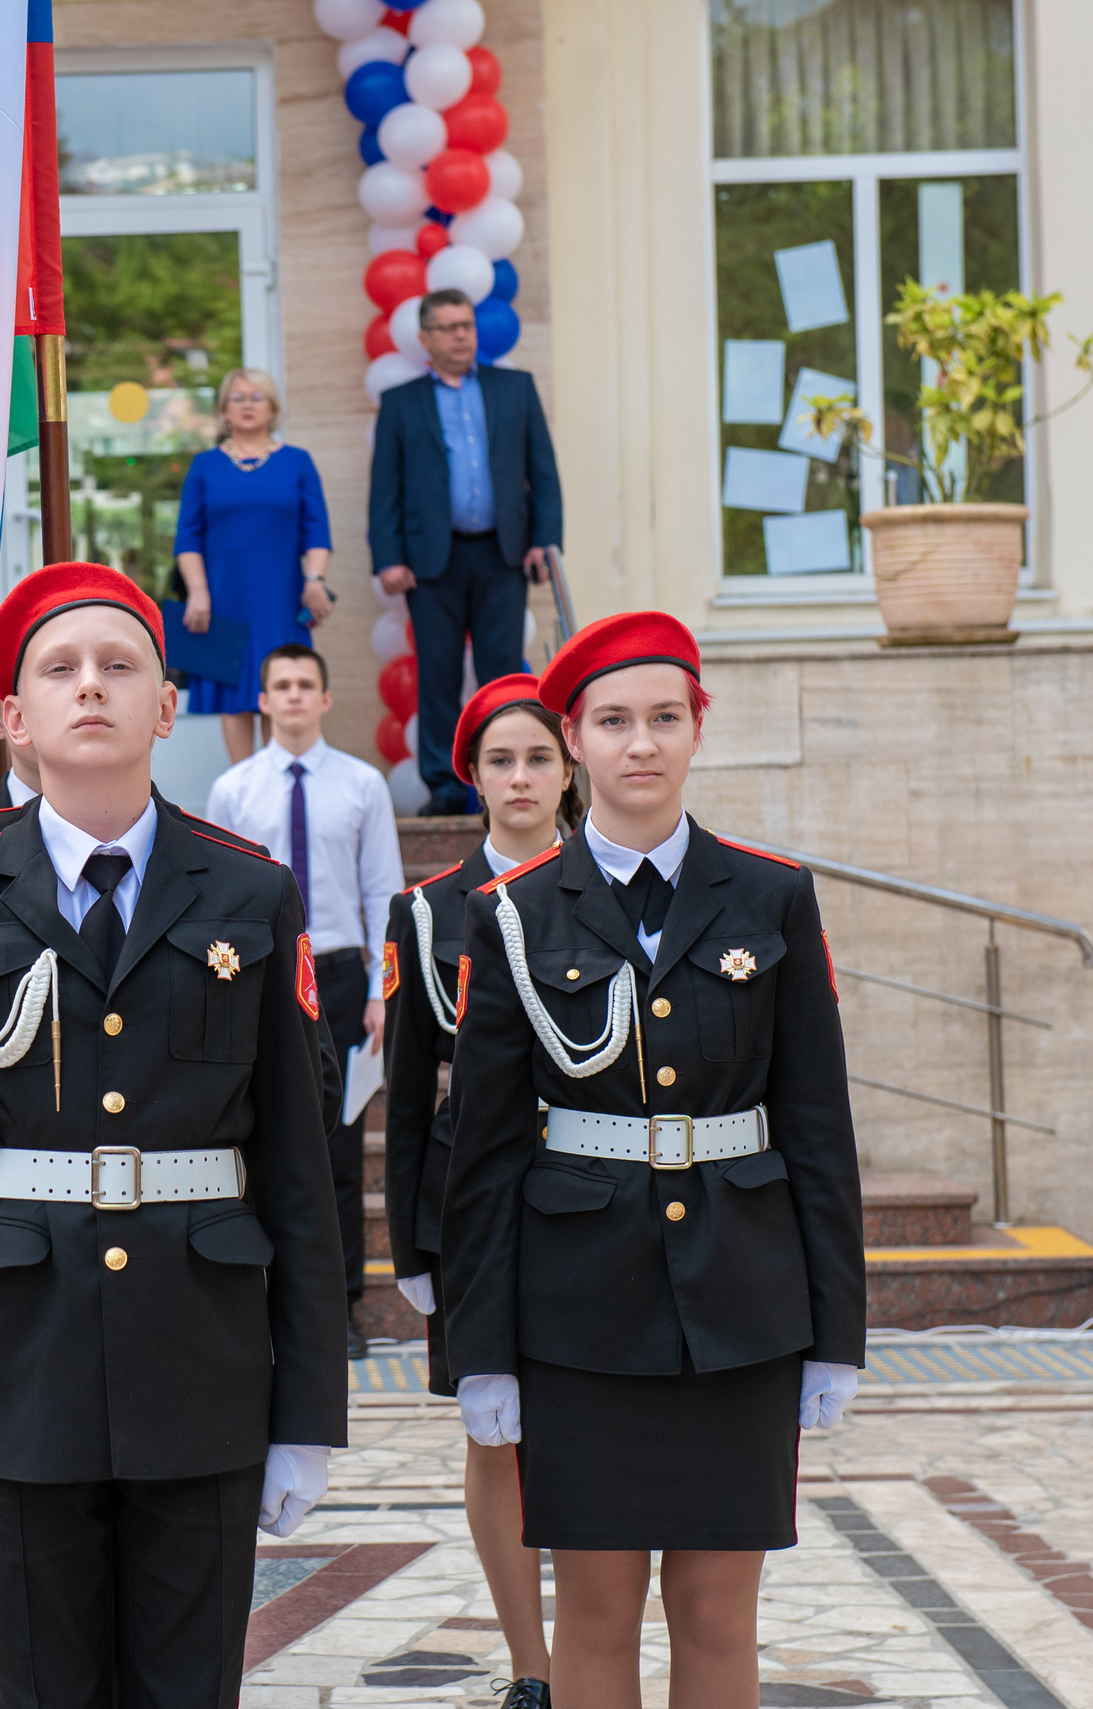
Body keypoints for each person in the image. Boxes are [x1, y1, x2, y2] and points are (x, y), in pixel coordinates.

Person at [0, 562, 349, 1709]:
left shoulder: (251, 893)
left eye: (119, 664)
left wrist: (307, 1412)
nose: (90, 686)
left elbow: (298, 1171)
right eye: (59, 668)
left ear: (167, 705)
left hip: (203, 1362)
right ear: (12, 718)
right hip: (15, 1370)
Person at [442, 612, 865, 1709]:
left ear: (697, 730)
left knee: (719, 1613)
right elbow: (482, 1154)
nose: (641, 743)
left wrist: (837, 1332)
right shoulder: (514, 913)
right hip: (578, 1310)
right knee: (595, 1611)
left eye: (665, 718)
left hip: (743, 1304)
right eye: (614, 721)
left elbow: (817, 1127)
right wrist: (478, 1350)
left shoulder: (771, 893)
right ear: (573, 739)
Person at [381, 671, 578, 1709]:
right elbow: (409, 1090)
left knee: (588, 1428)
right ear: (472, 775)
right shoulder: (425, 913)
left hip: (591, 1189)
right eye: (500, 759)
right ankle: (531, 1663)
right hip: (473, 1206)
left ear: (569, 766)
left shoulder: (613, 889)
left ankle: (589, 1652)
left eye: (539, 756)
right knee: (493, 1434)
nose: (520, 777)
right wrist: (409, 1244)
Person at [204, 642, 402, 1356]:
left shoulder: (362, 785)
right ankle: (259, 1300)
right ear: (263, 700)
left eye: (304, 684)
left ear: (324, 697)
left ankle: (338, 1305)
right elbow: (220, 896)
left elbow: (383, 890)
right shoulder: (233, 790)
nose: (292, 695)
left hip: (341, 977)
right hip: (262, 976)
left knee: (337, 1150)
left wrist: (382, 990)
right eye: (280, 685)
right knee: (254, 1140)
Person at [368, 289, 564, 815]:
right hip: (432, 562)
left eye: (467, 326)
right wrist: (387, 557)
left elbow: (543, 473)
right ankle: (444, 789)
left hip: (503, 554)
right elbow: (385, 487)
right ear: (425, 338)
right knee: (438, 676)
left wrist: (544, 541)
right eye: (450, 328)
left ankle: (505, 778)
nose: (462, 336)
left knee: (502, 674)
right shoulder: (402, 401)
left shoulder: (515, 389)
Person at [172, 369, 333, 765]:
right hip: (221, 599)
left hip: (280, 598)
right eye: (238, 398)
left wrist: (315, 580)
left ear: (273, 408)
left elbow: (317, 533)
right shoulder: (204, 466)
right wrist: (197, 592)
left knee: (280, 686)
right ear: (224, 410)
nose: (247, 405)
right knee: (233, 695)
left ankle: (278, 783)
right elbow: (188, 539)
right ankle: (244, 787)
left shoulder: (297, 462)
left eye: (257, 397)